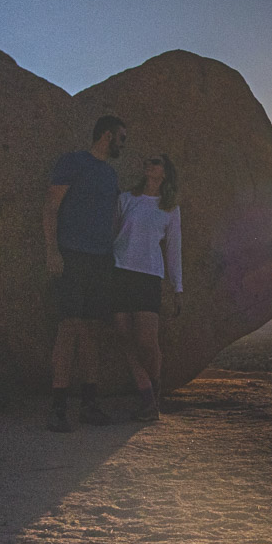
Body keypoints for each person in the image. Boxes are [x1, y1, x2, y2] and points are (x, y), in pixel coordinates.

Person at [43, 115, 126, 432]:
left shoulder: (110, 174)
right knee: (69, 327)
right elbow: (51, 206)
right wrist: (52, 250)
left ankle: (90, 405)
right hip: (73, 256)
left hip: (101, 260)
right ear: (106, 135)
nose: (122, 144)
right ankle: (58, 407)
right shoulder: (73, 162)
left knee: (92, 330)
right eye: (121, 138)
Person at [111, 153, 183, 421]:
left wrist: (178, 287)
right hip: (119, 272)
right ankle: (147, 399)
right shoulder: (127, 199)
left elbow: (174, 249)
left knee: (147, 341)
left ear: (164, 172)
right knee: (123, 336)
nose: (148, 165)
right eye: (147, 161)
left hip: (148, 276)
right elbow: (114, 233)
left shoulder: (170, 208)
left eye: (156, 162)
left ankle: (155, 391)